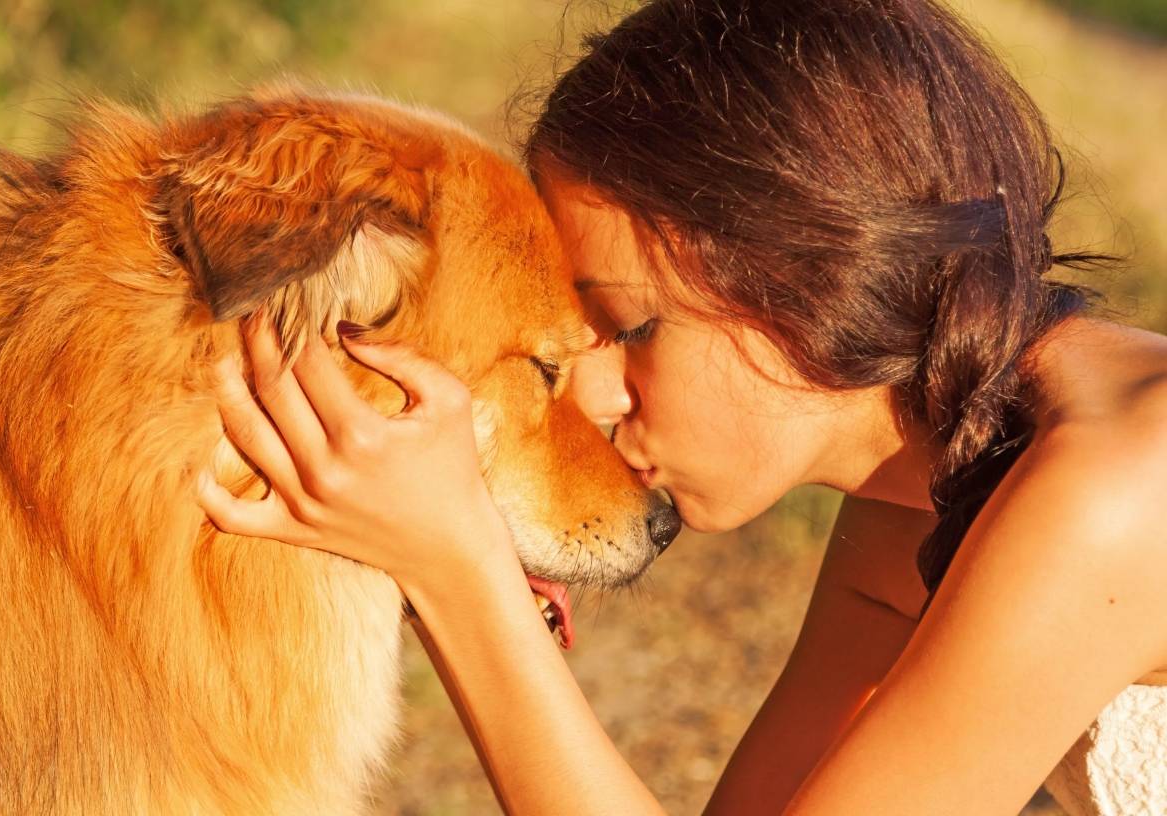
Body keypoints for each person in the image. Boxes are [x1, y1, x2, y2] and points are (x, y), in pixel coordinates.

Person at [196, 0, 1167, 813]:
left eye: (631, 328)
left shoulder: (1114, 488)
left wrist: (457, 567)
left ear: (804, 273)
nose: (595, 390)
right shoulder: (915, 497)